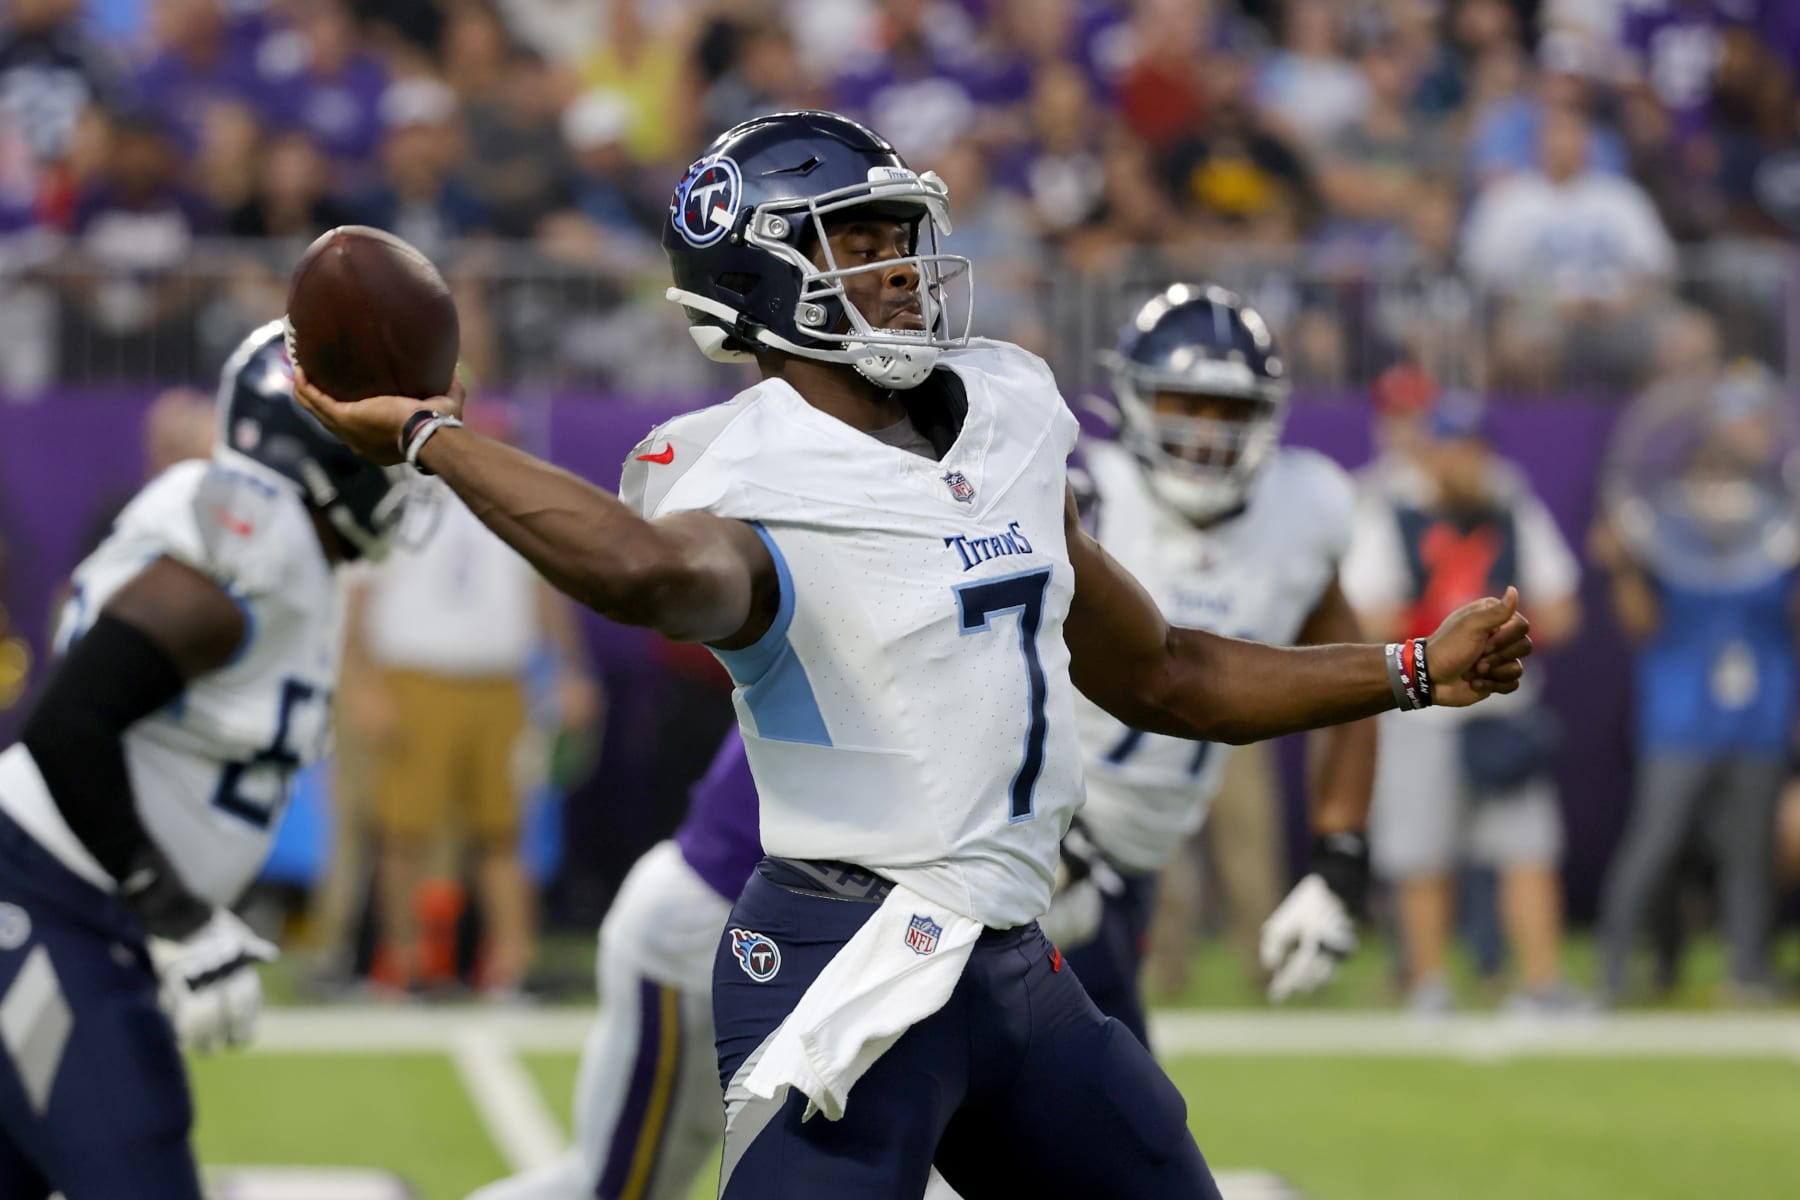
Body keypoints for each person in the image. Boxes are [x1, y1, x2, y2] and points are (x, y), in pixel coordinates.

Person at [295, 110, 1532, 1200]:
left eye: (901, 236)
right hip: (849, 967)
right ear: (760, 275)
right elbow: (645, 573)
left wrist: (1414, 668)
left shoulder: (1004, 413)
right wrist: (430, 436)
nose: (902, 268)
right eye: (861, 241)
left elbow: (1165, 676)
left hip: (1009, 962)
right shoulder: (745, 468)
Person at [0, 320, 411, 1198]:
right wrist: (175, 912)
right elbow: (68, 725)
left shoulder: (297, 555)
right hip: (46, 899)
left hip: (74, 906)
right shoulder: (253, 537)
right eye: (376, 440)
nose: (399, 470)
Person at [1044, 284, 1377, 1045]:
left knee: (1088, 1133)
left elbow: (1353, 683)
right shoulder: (1083, 496)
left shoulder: (1306, 508)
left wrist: (1341, 857)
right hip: (1041, 847)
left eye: (1228, 409)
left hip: (1132, 860)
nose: (1204, 432)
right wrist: (1033, 832)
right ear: (1132, 400)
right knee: (1111, 1131)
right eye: (1183, 402)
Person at [1341, 390, 1583, 1014]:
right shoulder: (1391, 508)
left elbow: (1561, 609)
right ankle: (1427, 984)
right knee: (1420, 850)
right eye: (1449, 447)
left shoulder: (1510, 506)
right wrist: (1446, 631)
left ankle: (1541, 983)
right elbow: (1366, 612)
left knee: (1527, 847)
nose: (1461, 461)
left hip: (1502, 707)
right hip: (1423, 704)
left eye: (1472, 448)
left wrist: (1495, 631)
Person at [1593, 364, 1799, 1004]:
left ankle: (1748, 970)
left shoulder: (1776, 524)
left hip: (1760, 709)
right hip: (1679, 712)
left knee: (1750, 853)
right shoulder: (1664, 520)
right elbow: (1642, 625)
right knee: (1654, 845)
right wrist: (1625, 568)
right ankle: (1616, 971)